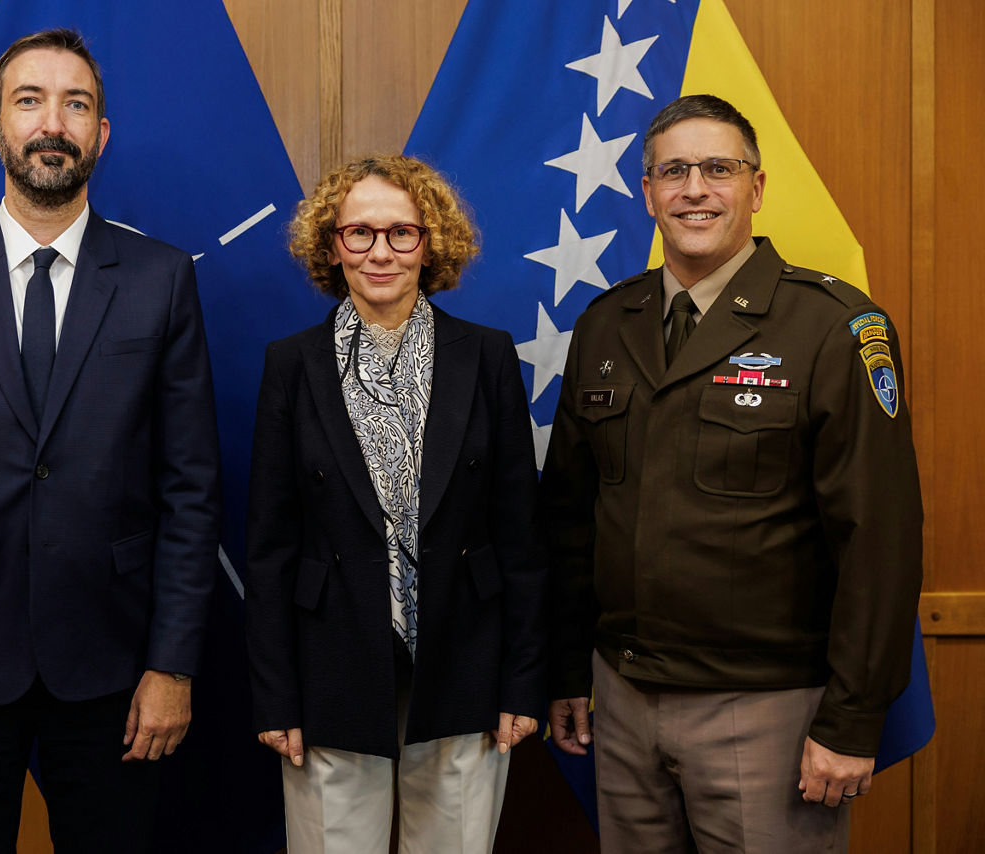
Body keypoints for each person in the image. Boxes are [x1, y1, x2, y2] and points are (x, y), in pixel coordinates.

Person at [0, 28, 220, 852]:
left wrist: (171, 667)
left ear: (100, 134)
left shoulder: (162, 280)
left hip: (115, 672)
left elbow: (191, 490)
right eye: (30, 101)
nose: (53, 123)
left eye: (76, 104)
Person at [542, 93, 923, 852]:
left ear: (757, 186)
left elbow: (878, 540)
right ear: (646, 192)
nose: (695, 189)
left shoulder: (833, 326)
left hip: (768, 708)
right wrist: (564, 669)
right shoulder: (606, 324)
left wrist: (852, 718)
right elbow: (571, 521)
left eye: (719, 168)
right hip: (622, 699)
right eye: (673, 171)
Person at [245, 154, 546, 853]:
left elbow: (521, 538)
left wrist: (522, 683)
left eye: (401, 233)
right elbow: (269, 547)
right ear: (331, 247)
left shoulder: (487, 356)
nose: (380, 252)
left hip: (466, 663)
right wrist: (275, 695)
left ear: (430, 244)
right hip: (330, 668)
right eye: (359, 233)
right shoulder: (291, 364)